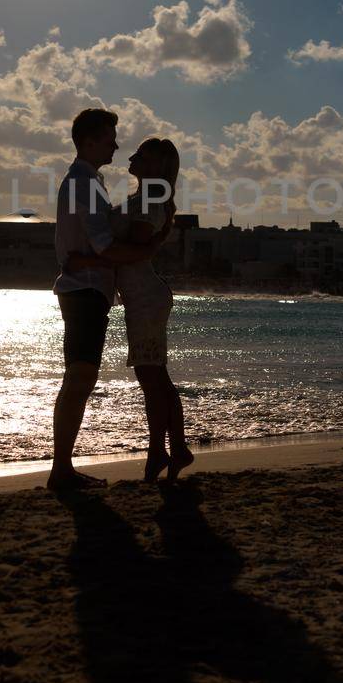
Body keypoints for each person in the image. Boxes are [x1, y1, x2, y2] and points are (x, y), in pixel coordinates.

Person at [49, 109, 171, 491]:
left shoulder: (91, 181)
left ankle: (63, 467)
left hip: (88, 288)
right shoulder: (84, 183)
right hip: (84, 288)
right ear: (87, 141)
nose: (116, 144)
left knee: (80, 376)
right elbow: (104, 244)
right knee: (80, 376)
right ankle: (62, 469)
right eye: (108, 138)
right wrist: (149, 247)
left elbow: (98, 245)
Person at [66, 136, 195, 485]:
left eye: (142, 154)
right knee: (155, 376)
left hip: (146, 297)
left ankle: (164, 451)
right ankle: (169, 449)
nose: (132, 156)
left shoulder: (152, 197)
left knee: (152, 378)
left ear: (156, 165)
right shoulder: (144, 196)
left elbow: (134, 249)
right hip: (140, 296)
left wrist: (87, 258)